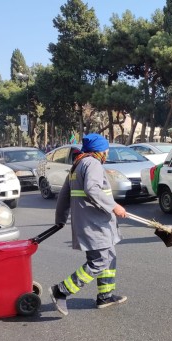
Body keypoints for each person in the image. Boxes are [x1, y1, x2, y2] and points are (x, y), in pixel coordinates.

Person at [49, 133, 128, 316]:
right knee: (99, 261)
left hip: (95, 222)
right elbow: (92, 189)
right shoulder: (92, 163)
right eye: (106, 149)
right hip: (94, 224)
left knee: (110, 256)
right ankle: (61, 290)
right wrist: (114, 206)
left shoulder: (77, 164)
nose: (107, 153)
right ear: (99, 150)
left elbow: (63, 196)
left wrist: (60, 219)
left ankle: (105, 296)